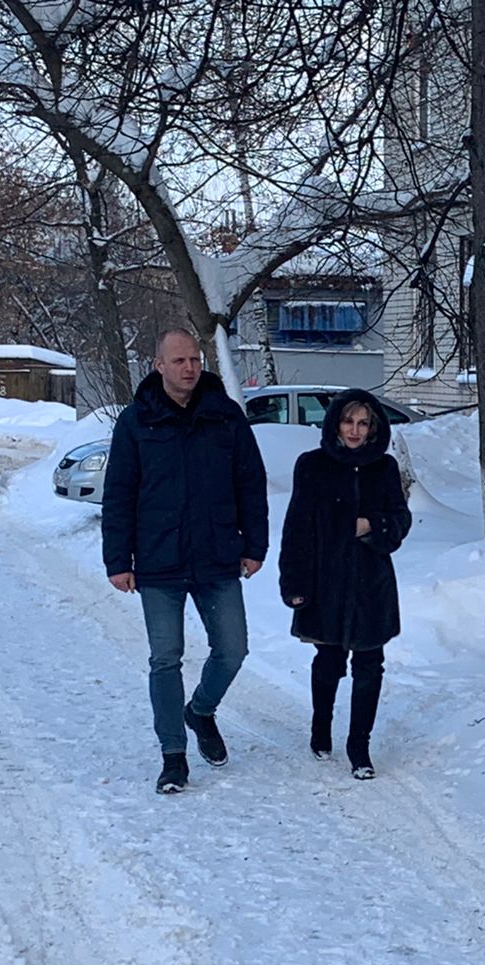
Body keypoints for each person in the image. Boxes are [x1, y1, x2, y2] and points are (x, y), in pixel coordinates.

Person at [102, 329, 269, 794]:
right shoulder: (137, 421)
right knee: (165, 659)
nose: (190, 368)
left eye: (195, 359)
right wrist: (118, 558)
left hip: (217, 556)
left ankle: (200, 711)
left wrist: (255, 545)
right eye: (179, 360)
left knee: (232, 649)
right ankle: (173, 756)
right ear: (158, 365)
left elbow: (250, 484)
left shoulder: (226, 417)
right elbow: (118, 494)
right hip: (158, 561)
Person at [278, 390, 412, 779]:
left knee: (370, 664)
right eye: (348, 422)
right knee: (330, 660)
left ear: (373, 428)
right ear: (335, 423)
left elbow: (399, 521)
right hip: (326, 581)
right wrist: (294, 583)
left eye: (363, 423)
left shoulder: (383, 468)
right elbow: (296, 528)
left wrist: (372, 525)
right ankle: (321, 728)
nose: (355, 430)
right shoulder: (312, 466)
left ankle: (360, 746)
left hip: (371, 584)